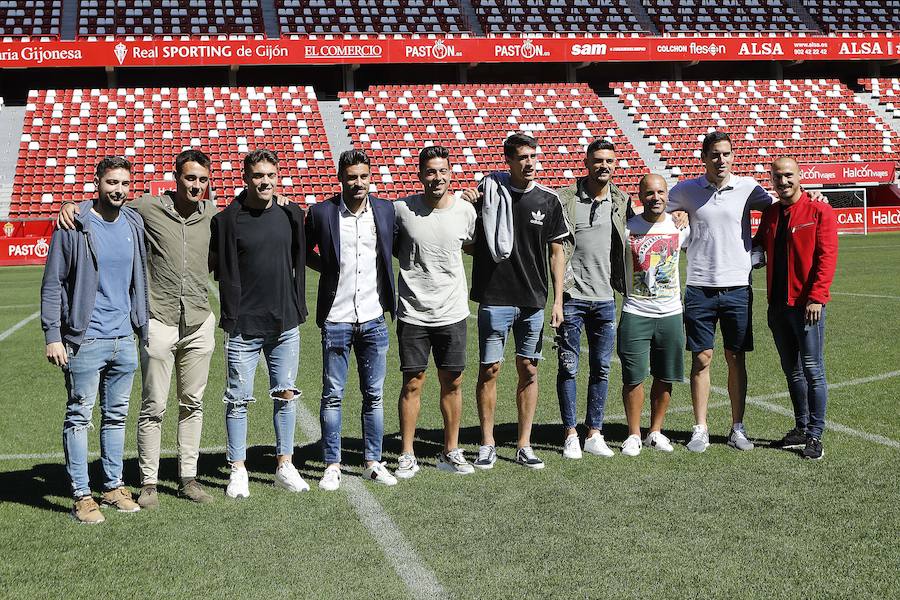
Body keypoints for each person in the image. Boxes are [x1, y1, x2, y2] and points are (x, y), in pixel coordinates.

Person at [58, 149, 217, 508]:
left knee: (193, 402)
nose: (196, 186)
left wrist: (281, 198)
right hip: (157, 320)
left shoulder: (214, 214)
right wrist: (72, 204)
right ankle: (148, 482)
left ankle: (188, 478)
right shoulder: (146, 208)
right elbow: (105, 204)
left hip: (198, 319)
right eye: (190, 178)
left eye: (203, 180)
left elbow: (250, 210)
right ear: (176, 178)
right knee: (153, 405)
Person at [41, 156, 149, 524]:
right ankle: (81, 496)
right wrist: (53, 335)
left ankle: (113, 486)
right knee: (79, 417)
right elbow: (53, 283)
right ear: (97, 182)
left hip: (124, 338)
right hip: (85, 340)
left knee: (116, 417)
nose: (118, 190)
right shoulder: (74, 225)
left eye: (124, 184)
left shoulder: (133, 221)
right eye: (111, 183)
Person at [464, 133, 569, 470]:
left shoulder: (549, 200)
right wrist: (468, 202)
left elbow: (557, 252)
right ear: (508, 161)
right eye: (522, 157)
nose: (529, 162)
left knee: (529, 369)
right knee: (490, 369)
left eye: (533, 156)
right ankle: (487, 443)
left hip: (533, 300)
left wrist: (557, 301)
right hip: (494, 297)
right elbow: (467, 239)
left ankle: (524, 443)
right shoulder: (488, 192)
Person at [209, 149, 309, 498]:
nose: (264, 181)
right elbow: (215, 265)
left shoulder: (291, 214)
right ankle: (238, 469)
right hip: (243, 327)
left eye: (270, 175)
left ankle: (284, 464)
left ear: (277, 176)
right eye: (257, 176)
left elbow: (301, 257)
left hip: (284, 324)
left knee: (286, 395)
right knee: (237, 399)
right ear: (245, 178)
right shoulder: (227, 220)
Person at [667, 131, 771, 452]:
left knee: (735, 357)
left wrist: (760, 248)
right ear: (704, 158)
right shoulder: (685, 190)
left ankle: (737, 427)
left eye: (726, 153)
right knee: (701, 358)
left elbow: (778, 208)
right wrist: (674, 216)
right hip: (699, 287)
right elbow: (657, 211)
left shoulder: (748, 188)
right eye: (714, 154)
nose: (721, 159)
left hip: (738, 286)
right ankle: (700, 428)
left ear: (733, 156)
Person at [305, 149, 398, 490]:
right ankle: (332, 464)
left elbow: (396, 249)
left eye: (363, 176)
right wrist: (329, 270)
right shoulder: (321, 213)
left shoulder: (386, 210)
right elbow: (303, 251)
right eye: (351, 177)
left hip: (374, 318)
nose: (358, 183)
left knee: (373, 395)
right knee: (333, 394)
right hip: (337, 318)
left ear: (370, 177)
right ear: (340, 178)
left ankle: (373, 461)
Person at [393, 146, 477, 479]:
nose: (436, 178)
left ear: (450, 173)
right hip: (413, 312)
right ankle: (407, 453)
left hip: (453, 312)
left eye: (442, 171)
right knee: (413, 382)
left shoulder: (465, 211)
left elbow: (470, 245)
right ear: (420, 175)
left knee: (452, 382)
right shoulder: (402, 210)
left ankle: (450, 450)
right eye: (430, 171)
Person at [754, 157, 838, 460]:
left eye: (788, 175)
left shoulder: (819, 210)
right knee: (792, 372)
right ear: (772, 180)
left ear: (800, 176)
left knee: (813, 370)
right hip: (777, 307)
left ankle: (815, 434)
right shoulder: (772, 213)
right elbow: (757, 244)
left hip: (806, 306)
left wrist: (817, 297)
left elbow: (827, 257)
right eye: (777, 177)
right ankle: (801, 427)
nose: (783, 181)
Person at [554, 139, 633, 459]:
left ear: (615, 164)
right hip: (572, 296)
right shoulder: (566, 199)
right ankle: (571, 432)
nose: (604, 165)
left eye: (609, 161)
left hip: (605, 299)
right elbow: (557, 249)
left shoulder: (621, 201)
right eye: (598, 160)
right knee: (568, 367)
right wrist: (558, 299)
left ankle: (595, 433)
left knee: (601, 367)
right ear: (586, 162)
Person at [618, 174, 689, 456]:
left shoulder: (680, 225)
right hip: (635, 310)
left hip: (671, 312)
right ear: (640, 196)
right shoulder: (627, 228)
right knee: (633, 377)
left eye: (660, 192)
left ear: (667, 195)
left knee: (665, 374)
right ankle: (634, 434)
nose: (655, 197)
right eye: (649, 193)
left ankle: (655, 432)